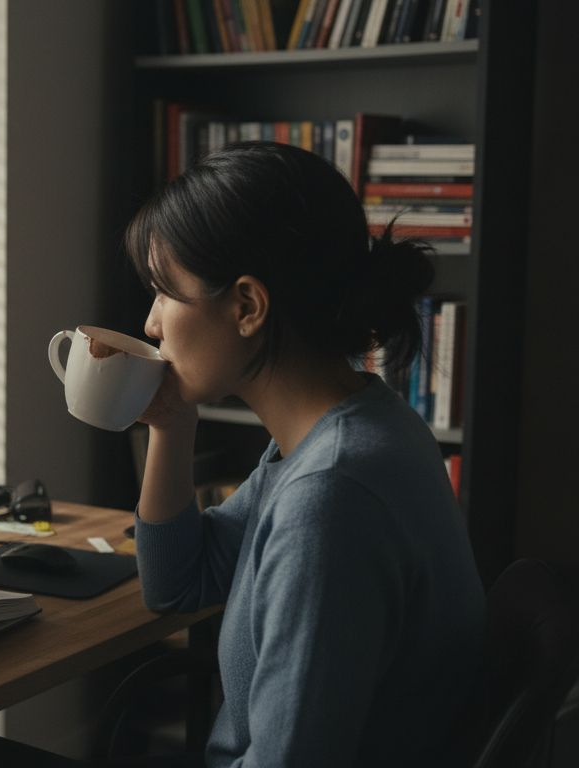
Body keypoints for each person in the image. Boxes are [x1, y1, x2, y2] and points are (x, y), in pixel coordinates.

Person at [129, 141, 484, 766]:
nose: (151, 324)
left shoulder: (331, 493)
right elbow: (178, 584)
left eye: (165, 292)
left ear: (247, 306)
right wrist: (171, 424)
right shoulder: (350, 425)